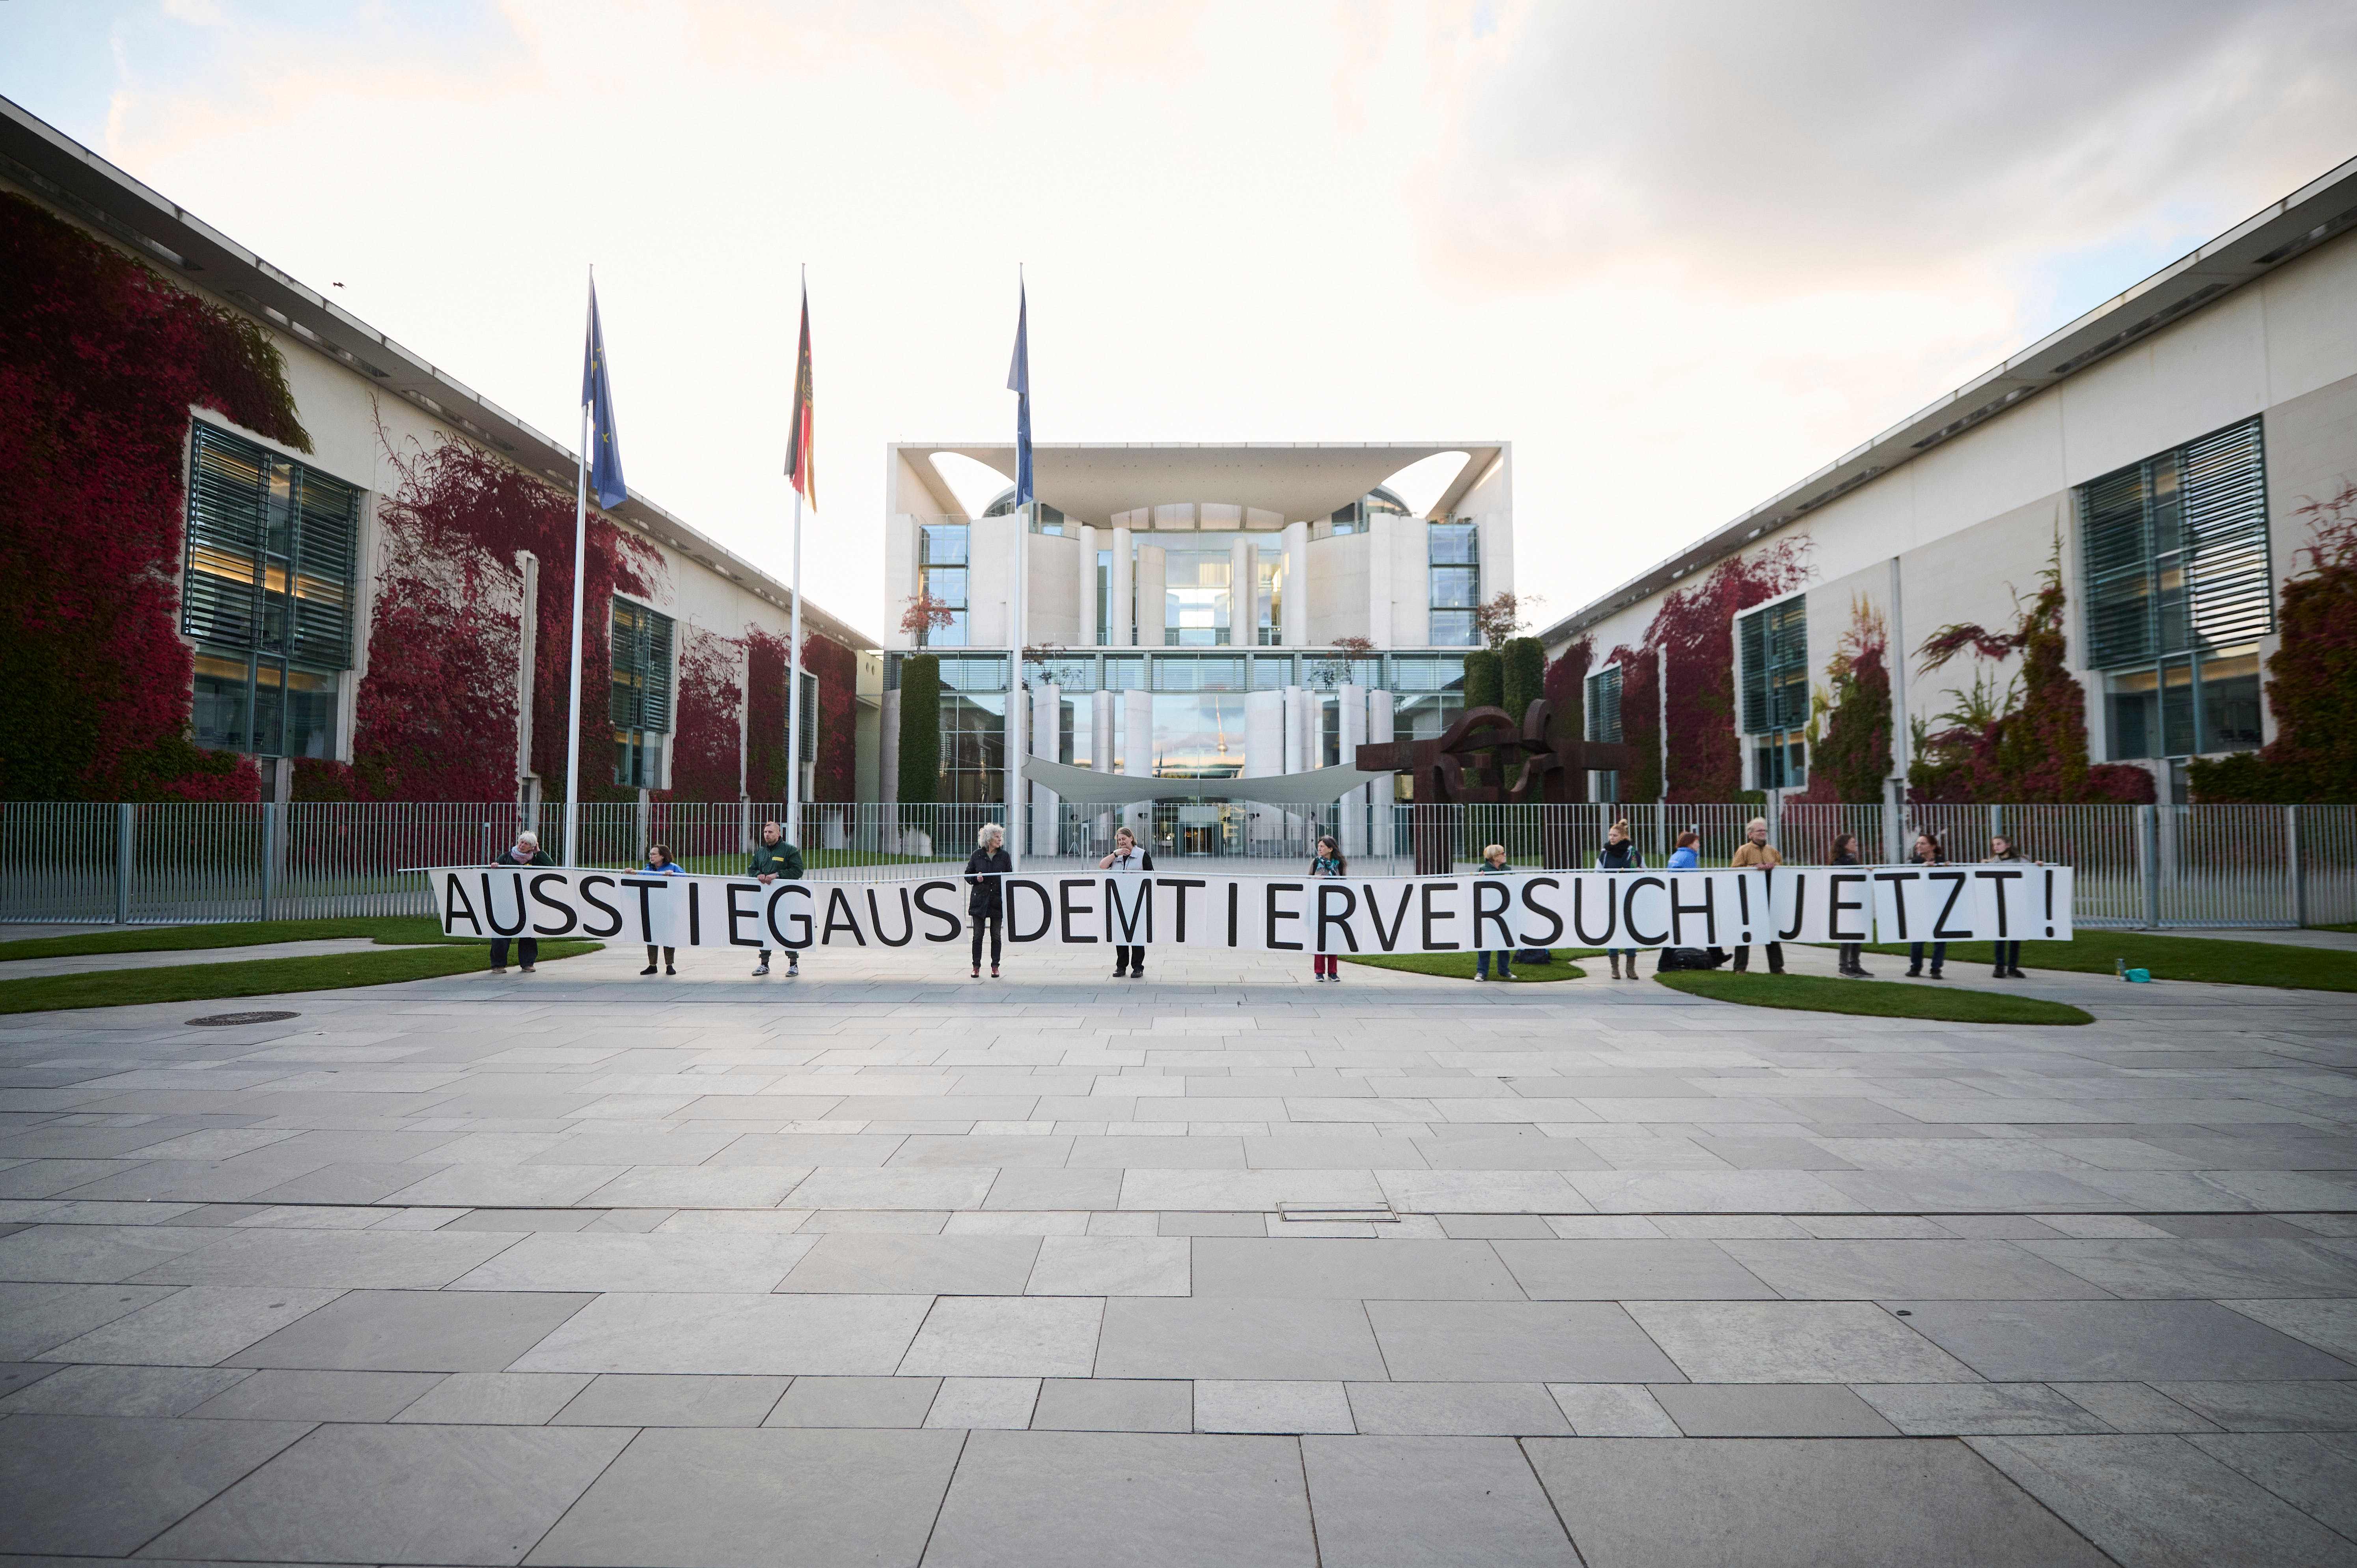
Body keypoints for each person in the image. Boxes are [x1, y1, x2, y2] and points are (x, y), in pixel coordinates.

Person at [488, 829, 552, 973]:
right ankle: (498, 964)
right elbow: (492, 873)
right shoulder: (505, 857)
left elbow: (551, 868)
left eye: (527, 844)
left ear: (532, 847)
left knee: (528, 934)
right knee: (502, 932)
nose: (523, 845)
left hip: (527, 902)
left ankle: (528, 963)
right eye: (522, 842)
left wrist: (539, 852)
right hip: (506, 902)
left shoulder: (535, 860)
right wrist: (494, 866)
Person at [1727, 816, 1786, 974]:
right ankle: (1740, 967)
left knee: (1771, 931)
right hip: (1750, 896)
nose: (1763, 833)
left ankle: (1777, 967)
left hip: (1769, 894)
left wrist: (1774, 866)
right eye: (1759, 830)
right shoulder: (1744, 850)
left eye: (1764, 830)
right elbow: (1735, 870)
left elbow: (1782, 866)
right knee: (1746, 931)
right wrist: (1754, 868)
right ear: (1750, 834)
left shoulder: (1772, 851)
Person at [748, 820, 804, 978]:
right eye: (765, 832)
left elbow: (798, 870)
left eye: (771, 832)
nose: (767, 835)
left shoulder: (789, 850)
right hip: (765, 898)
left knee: (787, 930)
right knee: (764, 929)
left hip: (785, 899)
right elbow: (751, 870)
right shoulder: (761, 852)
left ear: (779, 834)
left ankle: (793, 963)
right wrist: (757, 875)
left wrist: (778, 875)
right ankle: (764, 963)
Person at [1098, 825, 1153, 980]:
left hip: (1137, 901)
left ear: (1131, 838)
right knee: (1121, 935)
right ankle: (1121, 967)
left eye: (1124, 839)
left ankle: (1137, 967)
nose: (1122, 842)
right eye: (1119, 840)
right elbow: (1102, 866)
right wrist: (1115, 854)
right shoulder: (1115, 856)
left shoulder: (1142, 855)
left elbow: (1151, 876)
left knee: (1137, 935)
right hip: (1119, 901)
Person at [1596, 819, 1643, 980]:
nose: (1612, 838)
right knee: (1613, 932)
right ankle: (1615, 969)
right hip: (1611, 898)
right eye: (1610, 835)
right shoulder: (1605, 853)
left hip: (1631, 898)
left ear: (1623, 836)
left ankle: (1631, 968)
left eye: (1615, 835)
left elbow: (1643, 871)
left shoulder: (1633, 853)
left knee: (1630, 931)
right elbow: (1598, 874)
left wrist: (1634, 872)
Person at [966, 823, 1012, 980]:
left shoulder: (1004, 856)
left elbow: (1009, 877)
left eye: (1001, 837)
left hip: (997, 900)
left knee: (996, 935)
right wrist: (976, 879)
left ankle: (995, 966)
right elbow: (968, 875)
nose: (1000, 840)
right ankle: (976, 967)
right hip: (980, 900)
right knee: (978, 935)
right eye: (997, 837)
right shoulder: (977, 855)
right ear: (989, 839)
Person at [1829, 832, 1872, 977]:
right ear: (1845, 845)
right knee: (1847, 936)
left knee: (1856, 935)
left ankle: (1855, 965)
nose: (1856, 844)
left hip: (1856, 901)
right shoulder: (1840, 862)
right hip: (1845, 902)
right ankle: (1844, 966)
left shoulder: (1852, 860)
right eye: (1853, 842)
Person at [640, 843, 684, 976]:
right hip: (652, 907)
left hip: (668, 907)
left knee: (668, 936)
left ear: (663, 856)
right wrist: (631, 873)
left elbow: (686, 880)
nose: (651, 857)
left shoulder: (674, 868)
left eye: (654, 854)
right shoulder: (648, 869)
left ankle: (669, 965)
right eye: (651, 854)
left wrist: (674, 876)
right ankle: (652, 965)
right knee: (651, 936)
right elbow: (638, 878)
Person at [1987, 834, 2028, 979]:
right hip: (2000, 904)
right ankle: (1999, 967)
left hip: (2016, 904)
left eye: (1999, 844)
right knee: (2000, 936)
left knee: (2015, 937)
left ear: (2008, 845)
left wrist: (2039, 865)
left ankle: (2012, 967)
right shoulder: (1992, 863)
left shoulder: (2021, 861)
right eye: (1994, 845)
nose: (1996, 847)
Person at [1907, 832, 1947, 978]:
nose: (1919, 846)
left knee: (1940, 939)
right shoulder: (1913, 862)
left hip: (1939, 904)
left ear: (1933, 846)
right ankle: (1915, 967)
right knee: (1917, 937)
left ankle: (1936, 969)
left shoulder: (1943, 862)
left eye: (1922, 843)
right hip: (1920, 905)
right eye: (1918, 843)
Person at [1474, 842, 1515, 982]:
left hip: (1505, 910)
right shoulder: (1483, 869)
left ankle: (1504, 970)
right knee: (1486, 942)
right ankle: (1482, 972)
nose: (1505, 855)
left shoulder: (1508, 869)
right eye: (1502, 853)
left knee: (1504, 941)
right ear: (1494, 857)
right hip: (1487, 910)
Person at [1309, 834, 1347, 983]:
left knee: (1333, 939)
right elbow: (1308, 880)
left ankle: (1333, 972)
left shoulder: (1339, 864)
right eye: (1319, 846)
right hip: (1319, 904)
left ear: (1331, 849)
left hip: (1335, 905)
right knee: (1320, 939)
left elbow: (1344, 882)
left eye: (1323, 846)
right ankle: (1319, 972)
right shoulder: (1316, 863)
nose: (1319, 848)